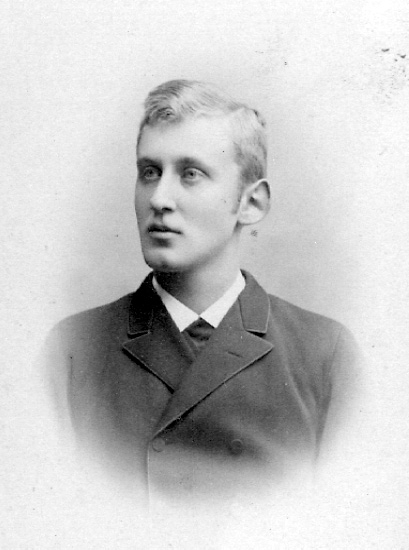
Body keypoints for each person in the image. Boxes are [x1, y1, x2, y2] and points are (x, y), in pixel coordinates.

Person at [45, 79, 360, 502]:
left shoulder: (326, 355)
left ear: (251, 203)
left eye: (190, 174)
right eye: (149, 172)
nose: (159, 198)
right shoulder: (72, 350)